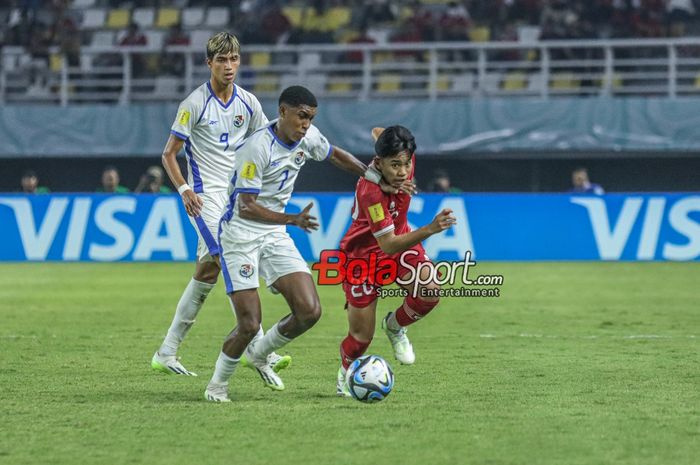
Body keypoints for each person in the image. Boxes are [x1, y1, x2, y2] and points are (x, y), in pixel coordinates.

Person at [204, 86, 412, 402]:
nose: (306, 124)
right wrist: (291, 220)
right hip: (240, 235)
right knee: (249, 323)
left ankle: (259, 354)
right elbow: (245, 205)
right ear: (283, 111)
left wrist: (372, 175)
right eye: (302, 116)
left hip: (273, 234)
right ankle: (217, 386)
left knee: (309, 311)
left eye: (311, 118)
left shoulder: (308, 137)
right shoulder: (256, 148)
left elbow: (334, 154)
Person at [151, 32, 286, 379]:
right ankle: (258, 346)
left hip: (233, 200)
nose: (229, 67)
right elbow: (168, 154)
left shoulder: (249, 103)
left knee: (208, 270)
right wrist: (183, 190)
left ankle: (166, 351)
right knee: (225, 257)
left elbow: (264, 144)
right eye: (222, 60)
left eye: (234, 59)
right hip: (203, 198)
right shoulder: (194, 103)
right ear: (208, 63)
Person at [335, 126, 456, 397]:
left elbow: (378, 131)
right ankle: (345, 372)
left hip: (400, 240)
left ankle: (395, 326)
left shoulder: (403, 159)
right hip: (363, 256)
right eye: (394, 166)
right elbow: (386, 245)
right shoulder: (371, 193)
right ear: (378, 163)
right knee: (360, 339)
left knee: (429, 290)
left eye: (405, 164)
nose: (402, 172)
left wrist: (388, 143)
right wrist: (430, 229)